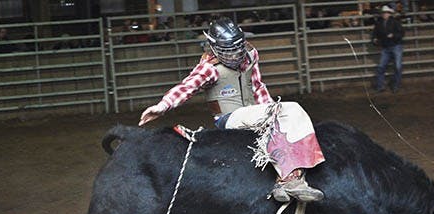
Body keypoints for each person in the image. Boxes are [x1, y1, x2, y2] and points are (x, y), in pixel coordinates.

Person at [139, 17, 325, 203]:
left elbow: (257, 86)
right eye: (229, 50)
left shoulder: (251, 55)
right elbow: (187, 87)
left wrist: (270, 109)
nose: (236, 55)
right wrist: (163, 105)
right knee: (291, 109)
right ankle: (287, 179)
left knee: (290, 113)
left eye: (238, 48)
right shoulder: (208, 68)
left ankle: (292, 173)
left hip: (254, 112)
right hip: (229, 117)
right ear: (215, 47)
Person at [372, 5, 404, 93]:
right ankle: (382, 86)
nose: (384, 14)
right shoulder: (379, 23)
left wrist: (393, 35)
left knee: (397, 67)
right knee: (382, 67)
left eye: (386, 13)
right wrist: (374, 39)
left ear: (389, 14)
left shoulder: (395, 22)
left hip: (395, 45)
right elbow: (375, 34)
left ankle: (393, 85)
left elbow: (401, 34)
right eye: (383, 13)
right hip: (387, 47)